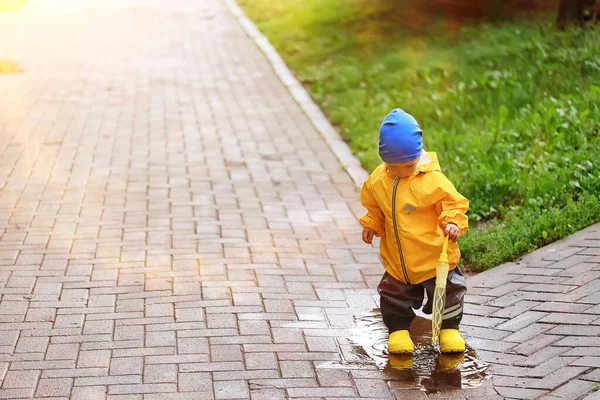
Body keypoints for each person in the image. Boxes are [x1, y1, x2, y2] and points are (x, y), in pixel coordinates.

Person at [360, 108, 469, 354]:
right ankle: (398, 332)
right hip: (399, 261)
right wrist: (372, 223)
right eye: (393, 167)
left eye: (408, 165)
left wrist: (452, 222)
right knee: (392, 294)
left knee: (448, 292)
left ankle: (449, 329)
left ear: (418, 156)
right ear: (384, 160)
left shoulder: (431, 181)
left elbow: (452, 203)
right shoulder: (378, 182)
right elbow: (376, 207)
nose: (401, 172)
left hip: (433, 257)